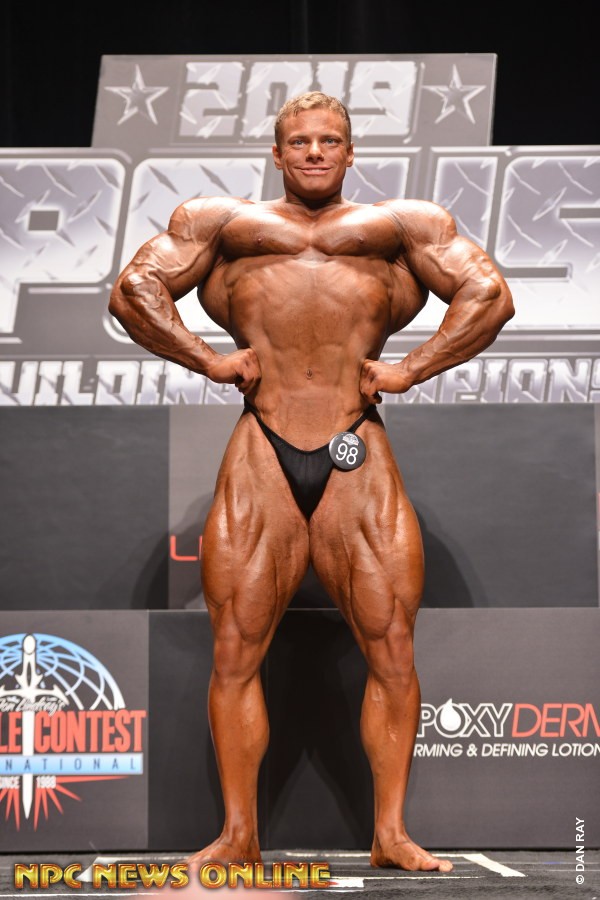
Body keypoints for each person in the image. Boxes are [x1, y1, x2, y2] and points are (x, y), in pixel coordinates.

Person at [109, 91, 514, 873]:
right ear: (276, 153)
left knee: (392, 646)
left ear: (351, 152)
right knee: (235, 649)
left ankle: (391, 834)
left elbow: (489, 294)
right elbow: (134, 291)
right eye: (300, 141)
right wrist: (207, 360)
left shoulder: (402, 227)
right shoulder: (222, 224)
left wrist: (411, 368)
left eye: (330, 140)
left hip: (355, 443)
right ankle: (239, 835)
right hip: (261, 447)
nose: (315, 152)